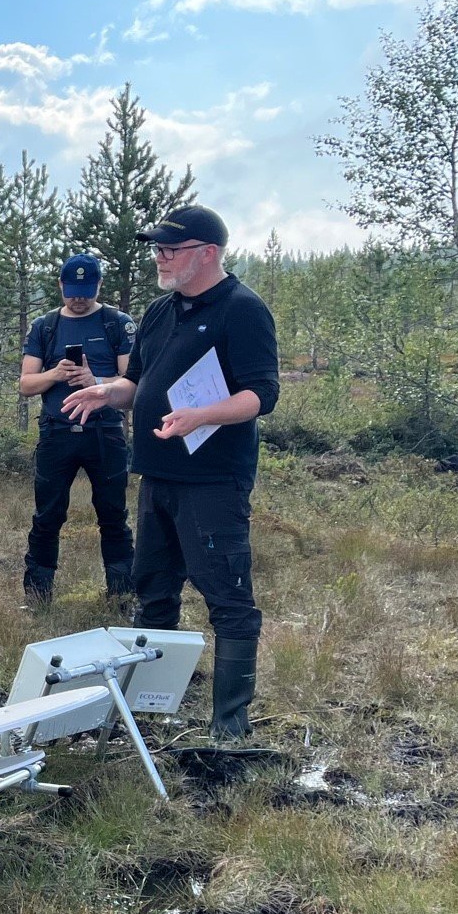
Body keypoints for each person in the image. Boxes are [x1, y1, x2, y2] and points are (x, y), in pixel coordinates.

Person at [62, 205, 280, 738]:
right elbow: (137, 384)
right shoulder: (161, 311)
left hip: (212, 480)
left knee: (226, 597)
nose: (159, 257)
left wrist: (201, 417)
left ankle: (230, 727)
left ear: (207, 253)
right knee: (153, 590)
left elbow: (262, 395)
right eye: (157, 248)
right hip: (156, 475)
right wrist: (105, 392)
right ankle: (148, 711)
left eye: (170, 249)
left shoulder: (243, 309)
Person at [17, 253, 137, 605]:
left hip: (105, 431)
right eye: (72, 291)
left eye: (85, 290)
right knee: (48, 515)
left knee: (114, 514)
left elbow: (133, 382)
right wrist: (55, 374)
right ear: (60, 286)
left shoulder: (118, 323)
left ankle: (121, 595)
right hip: (56, 432)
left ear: (99, 285)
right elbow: (25, 383)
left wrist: (95, 381)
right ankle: (38, 595)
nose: (78, 298)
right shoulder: (45, 326)